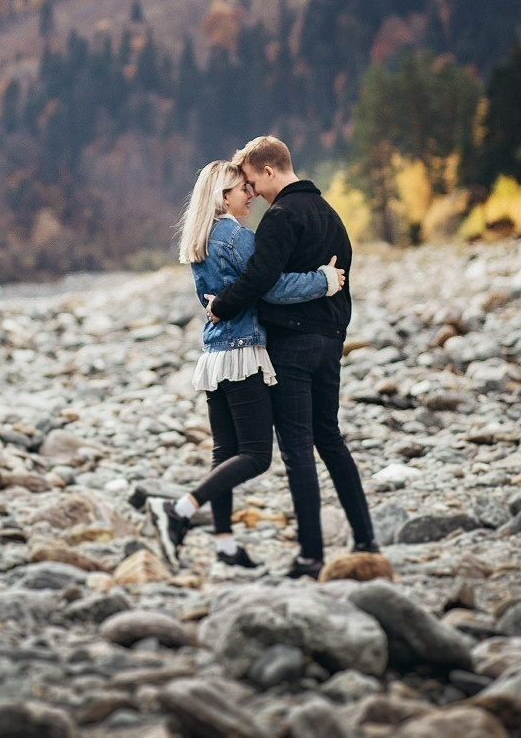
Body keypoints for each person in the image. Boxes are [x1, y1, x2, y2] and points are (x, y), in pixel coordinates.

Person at [147, 159, 344, 570]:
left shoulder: (200, 237)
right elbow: (270, 287)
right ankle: (179, 510)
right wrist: (323, 280)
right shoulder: (235, 235)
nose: (250, 195)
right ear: (223, 195)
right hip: (243, 352)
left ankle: (225, 548)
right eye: (242, 190)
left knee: (225, 453)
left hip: (215, 354)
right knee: (256, 455)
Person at [205, 135, 377, 579]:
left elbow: (261, 282)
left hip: (293, 348)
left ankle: (311, 555)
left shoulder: (281, 217)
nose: (253, 192)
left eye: (251, 181)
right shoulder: (330, 213)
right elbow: (343, 276)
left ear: (268, 170)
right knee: (331, 439)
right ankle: (365, 539)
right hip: (331, 341)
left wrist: (221, 305)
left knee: (298, 449)